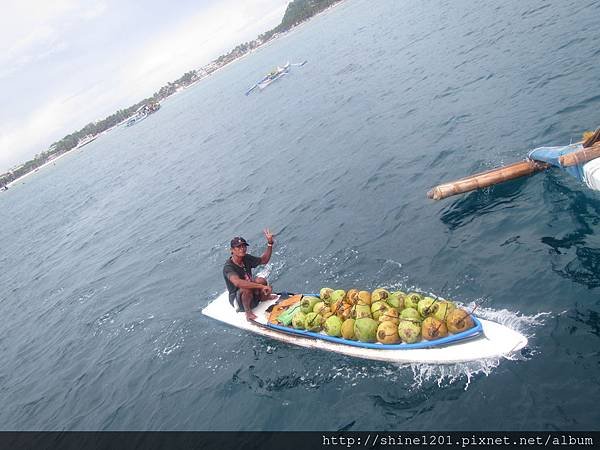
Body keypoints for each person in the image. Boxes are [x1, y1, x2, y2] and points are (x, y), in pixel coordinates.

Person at [223, 228, 275, 321]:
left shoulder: (246, 258)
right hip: (238, 301)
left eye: (244, 246)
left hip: (250, 292)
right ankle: (248, 313)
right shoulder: (228, 267)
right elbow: (238, 283)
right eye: (239, 247)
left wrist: (270, 243)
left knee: (261, 280)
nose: (242, 249)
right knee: (246, 288)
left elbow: (264, 260)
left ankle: (264, 298)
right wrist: (260, 287)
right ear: (232, 250)